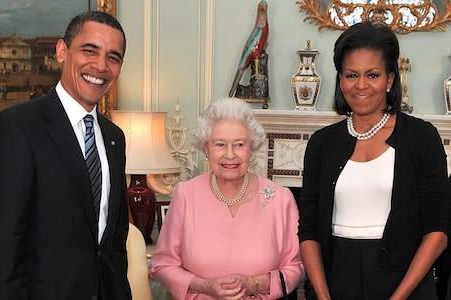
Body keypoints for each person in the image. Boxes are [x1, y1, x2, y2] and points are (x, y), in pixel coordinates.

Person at [0, 11, 131, 299]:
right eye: (90, 50)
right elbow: (1, 250)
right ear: (62, 51)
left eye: (114, 57)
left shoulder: (114, 138)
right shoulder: (16, 128)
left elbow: (114, 243)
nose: (101, 66)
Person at [298, 21, 450, 300]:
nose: (361, 86)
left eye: (373, 75)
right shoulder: (321, 143)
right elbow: (308, 230)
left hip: (407, 287)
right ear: (341, 79)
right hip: (336, 283)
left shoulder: (422, 138)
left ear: (390, 79)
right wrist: (322, 295)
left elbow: (438, 230)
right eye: (351, 75)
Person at [151, 97, 304, 299]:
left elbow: (296, 267)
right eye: (220, 144)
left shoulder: (280, 199)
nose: (230, 155)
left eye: (239, 144)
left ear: (252, 148)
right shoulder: (186, 195)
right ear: (206, 149)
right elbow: (163, 264)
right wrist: (206, 286)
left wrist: (253, 284)